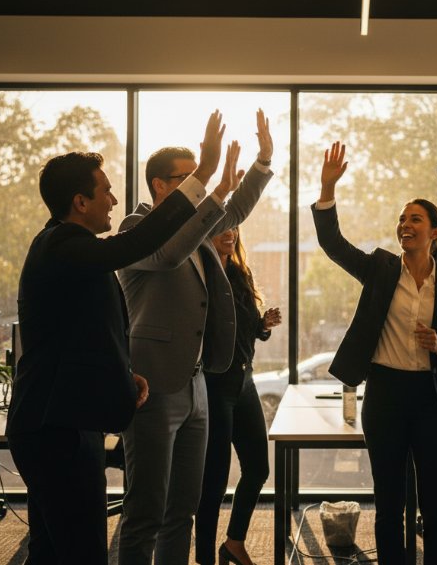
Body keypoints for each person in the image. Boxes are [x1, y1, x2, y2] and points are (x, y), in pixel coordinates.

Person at [6, 110, 226, 565]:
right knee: (81, 551)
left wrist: (124, 377)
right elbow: (139, 242)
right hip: (54, 428)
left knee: (51, 550)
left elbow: (89, 333)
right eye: (104, 190)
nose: (112, 198)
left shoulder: (72, 251)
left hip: (64, 420)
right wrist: (203, 174)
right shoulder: (62, 246)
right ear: (80, 202)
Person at [117, 111, 276, 565]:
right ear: (159, 185)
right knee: (146, 510)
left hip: (197, 383)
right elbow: (169, 254)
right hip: (152, 385)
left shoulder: (196, 228)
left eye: (197, 177)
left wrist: (262, 162)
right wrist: (214, 183)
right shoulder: (135, 228)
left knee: (182, 512)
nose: (196, 186)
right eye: (185, 178)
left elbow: (233, 213)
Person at [312, 141, 437, 564]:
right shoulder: (380, 269)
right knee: (389, 504)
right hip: (385, 395)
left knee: (436, 506)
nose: (405, 224)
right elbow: (333, 243)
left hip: (433, 399)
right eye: (401, 219)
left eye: (414, 219)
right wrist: (327, 189)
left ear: (434, 231)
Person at [196, 226, 281, 565]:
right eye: (219, 228)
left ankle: (233, 542)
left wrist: (263, 325)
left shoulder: (239, 273)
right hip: (216, 386)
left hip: (245, 383)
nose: (228, 233)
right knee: (213, 483)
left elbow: (246, 330)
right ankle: (204, 557)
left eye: (233, 227)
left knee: (258, 468)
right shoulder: (202, 275)